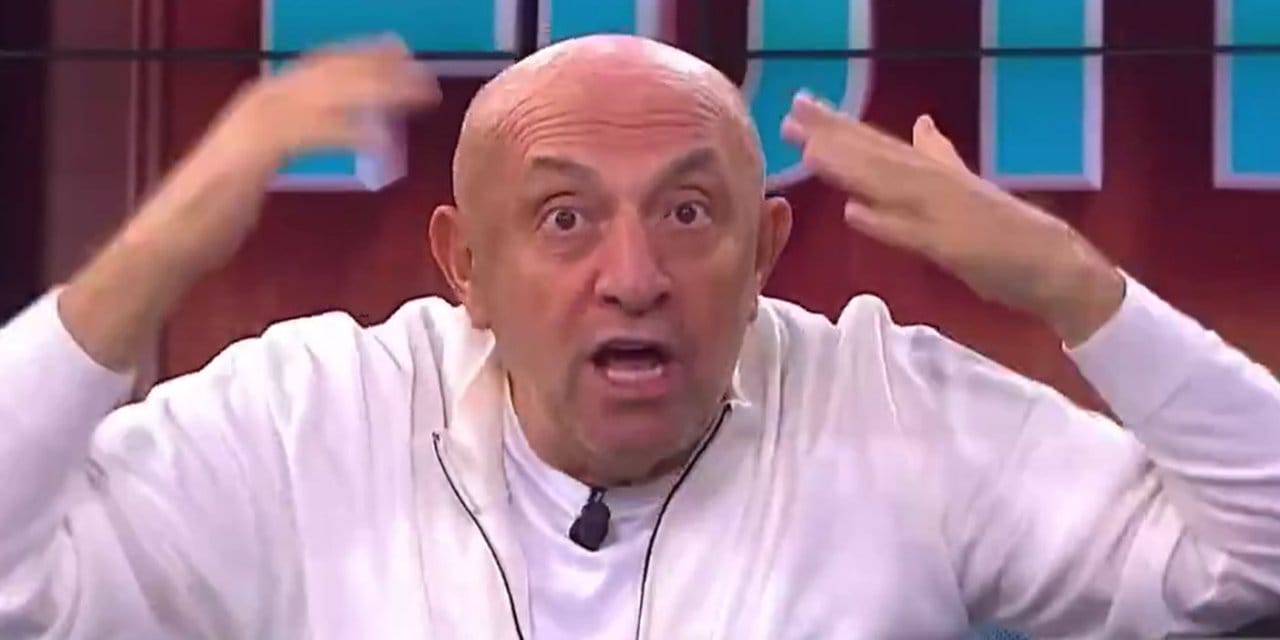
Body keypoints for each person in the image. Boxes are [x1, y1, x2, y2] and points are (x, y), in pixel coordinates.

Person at [2, 33, 1279, 640]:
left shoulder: (884, 403)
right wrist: (156, 254)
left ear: (763, 253)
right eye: (564, 218)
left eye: (686, 213)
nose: (633, 278)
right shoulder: (308, 416)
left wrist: (1067, 283)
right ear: (465, 267)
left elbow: (1256, 555)